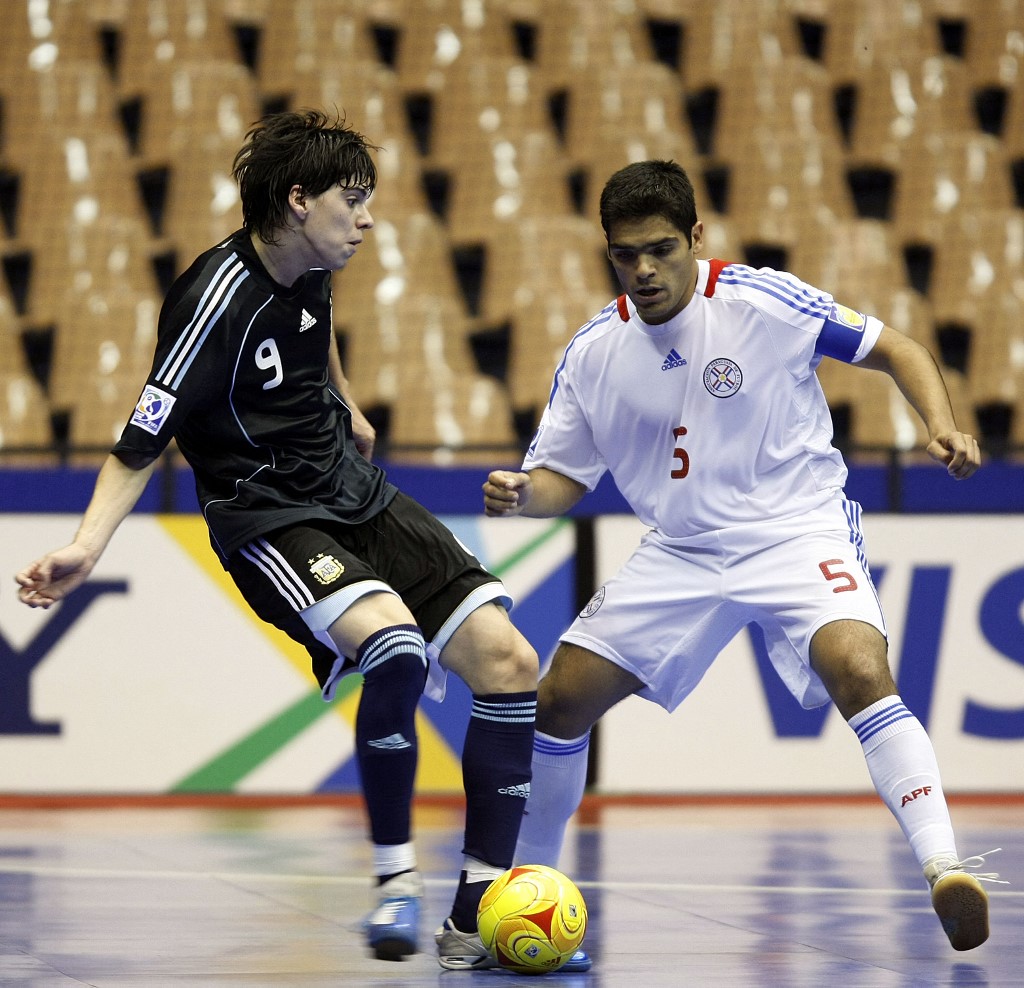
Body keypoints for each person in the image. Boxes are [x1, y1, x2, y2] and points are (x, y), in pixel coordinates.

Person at [14, 109, 590, 972]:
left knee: (509, 660)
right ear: (296, 201)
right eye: (352, 201)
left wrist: (346, 403)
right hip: (268, 516)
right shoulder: (213, 304)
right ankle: (395, 884)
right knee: (394, 649)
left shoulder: (314, 261)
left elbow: (316, 334)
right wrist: (87, 548)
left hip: (351, 491)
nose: (367, 219)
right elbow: (143, 437)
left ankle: (477, 917)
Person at [484, 159, 1003, 953]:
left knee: (860, 670)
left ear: (697, 237)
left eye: (661, 249)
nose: (644, 270)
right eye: (625, 255)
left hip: (797, 528)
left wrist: (943, 425)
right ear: (609, 253)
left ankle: (944, 867)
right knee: (558, 701)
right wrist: (525, 494)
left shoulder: (763, 300)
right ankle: (524, 895)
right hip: (683, 551)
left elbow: (895, 346)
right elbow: (563, 478)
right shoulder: (592, 352)